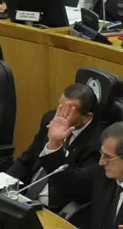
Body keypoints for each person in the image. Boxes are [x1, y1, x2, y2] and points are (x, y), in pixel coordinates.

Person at [7, 83, 105, 219]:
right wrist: (4, 183)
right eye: (60, 106)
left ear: (87, 117)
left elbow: (77, 188)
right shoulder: (51, 119)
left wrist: (54, 145)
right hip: (24, 196)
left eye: (69, 111)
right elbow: (27, 159)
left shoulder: (98, 143)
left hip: (54, 209)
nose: (60, 115)